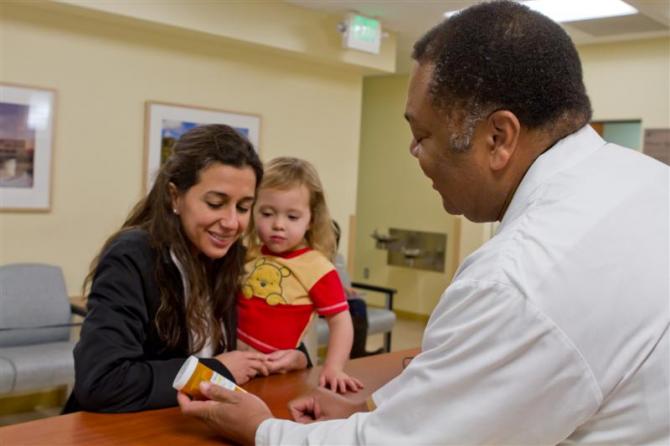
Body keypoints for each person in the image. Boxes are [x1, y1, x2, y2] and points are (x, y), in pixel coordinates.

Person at [178, 1, 669, 444]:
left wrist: (262, 430)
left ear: (499, 137)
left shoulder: (517, 281)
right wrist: (383, 415)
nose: (415, 153)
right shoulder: (649, 183)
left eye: (422, 135)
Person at [63, 124, 309, 413]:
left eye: (243, 208)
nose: (232, 223)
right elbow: (103, 382)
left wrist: (297, 356)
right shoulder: (132, 256)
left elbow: (271, 325)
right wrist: (214, 371)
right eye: (216, 203)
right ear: (175, 197)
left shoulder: (236, 257)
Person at [236, 157, 363, 393]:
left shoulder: (318, 267)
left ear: (310, 220)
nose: (278, 225)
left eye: (292, 217)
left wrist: (333, 367)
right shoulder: (249, 254)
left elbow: (341, 322)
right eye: (267, 213)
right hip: (235, 366)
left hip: (275, 375)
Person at [331, 220, 383, 358]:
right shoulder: (316, 258)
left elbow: (342, 280)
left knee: (359, 304)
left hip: (341, 299)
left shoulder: (338, 258)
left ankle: (358, 351)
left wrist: (348, 289)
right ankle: (356, 353)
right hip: (326, 301)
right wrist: (341, 288)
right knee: (356, 307)